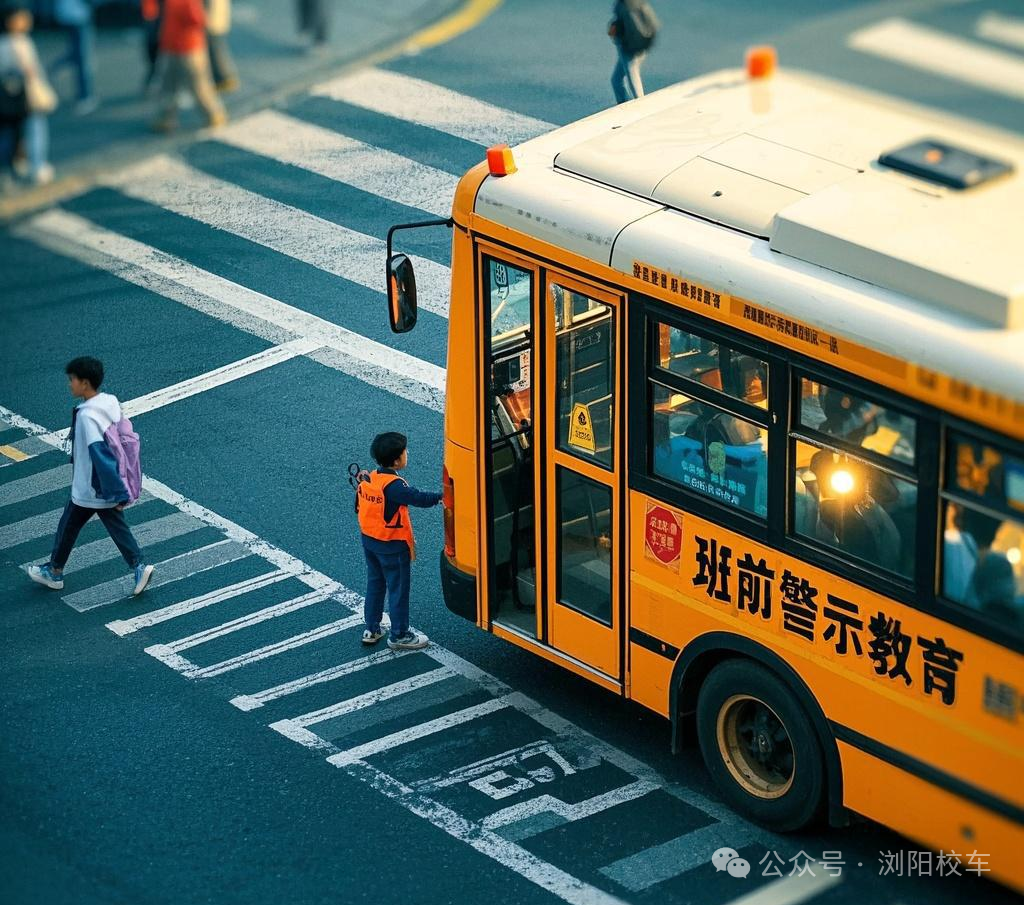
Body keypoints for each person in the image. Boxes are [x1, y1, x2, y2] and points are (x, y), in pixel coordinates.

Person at [27, 357, 154, 596]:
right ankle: (139, 566)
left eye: (72, 380)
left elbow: (101, 456)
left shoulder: (87, 417)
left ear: (85, 383)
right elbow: (124, 439)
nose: (69, 385)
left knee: (68, 526)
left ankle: (54, 572)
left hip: (91, 488)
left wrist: (116, 493)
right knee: (115, 528)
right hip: (104, 488)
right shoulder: (110, 402)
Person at [356, 432, 441, 651]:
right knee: (398, 589)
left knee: (375, 584)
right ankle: (400, 634)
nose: (407, 454)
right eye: (405, 452)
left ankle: (372, 628)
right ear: (396, 460)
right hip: (392, 545)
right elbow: (418, 498)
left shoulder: (370, 477)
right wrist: (443, 496)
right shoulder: (394, 486)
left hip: (370, 541)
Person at [0, 2, 55, 185]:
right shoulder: (19, 43)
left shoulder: (6, 42)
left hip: (7, 101)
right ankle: (37, 166)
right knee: (35, 129)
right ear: (10, 21)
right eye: (22, 16)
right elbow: (32, 71)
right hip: (26, 98)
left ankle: (10, 170)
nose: (27, 19)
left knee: (10, 134)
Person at [151, 0, 226, 133]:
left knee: (199, 86)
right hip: (171, 47)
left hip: (190, 49)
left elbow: (199, 20)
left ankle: (214, 113)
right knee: (168, 87)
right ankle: (166, 119)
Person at [51, 0, 97, 115]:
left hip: (69, 14)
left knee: (77, 54)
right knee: (82, 58)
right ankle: (84, 96)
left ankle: (53, 68)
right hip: (77, 15)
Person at [608, 0, 658, 104]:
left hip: (630, 48)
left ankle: (640, 104)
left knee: (632, 76)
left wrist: (630, 45)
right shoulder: (638, 3)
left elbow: (631, 24)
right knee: (616, 80)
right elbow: (654, 24)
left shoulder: (625, 5)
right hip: (638, 46)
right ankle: (624, 104)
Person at [206, 0, 238, 93]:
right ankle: (222, 78)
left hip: (212, 18)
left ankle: (224, 77)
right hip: (215, 17)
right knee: (216, 48)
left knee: (215, 49)